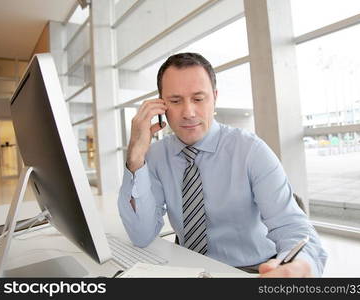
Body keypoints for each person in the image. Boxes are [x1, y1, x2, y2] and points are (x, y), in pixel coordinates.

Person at [118, 52, 327, 277]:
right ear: (161, 104)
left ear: (214, 98)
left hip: (252, 269)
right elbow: (141, 234)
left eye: (198, 99)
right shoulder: (157, 155)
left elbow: (292, 227)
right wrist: (135, 158)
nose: (188, 113)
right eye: (176, 101)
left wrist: (301, 266)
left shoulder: (251, 151)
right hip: (188, 268)